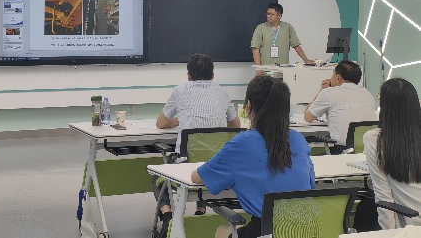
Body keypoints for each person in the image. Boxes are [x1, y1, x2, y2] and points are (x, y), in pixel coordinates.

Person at [191, 76, 315, 238]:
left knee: (222, 231)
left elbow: (197, 178)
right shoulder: (299, 139)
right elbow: (311, 184)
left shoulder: (241, 143)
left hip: (266, 231)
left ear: (248, 106)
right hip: (306, 230)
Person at [154, 53, 240, 238]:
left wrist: (179, 119)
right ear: (213, 75)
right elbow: (236, 125)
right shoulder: (222, 92)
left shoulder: (179, 91)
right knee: (205, 158)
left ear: (188, 75)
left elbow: (161, 123)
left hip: (186, 165)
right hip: (217, 165)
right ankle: (201, 209)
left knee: (158, 176)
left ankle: (168, 216)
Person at [363, 78, 421, 229]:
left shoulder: (375, 139)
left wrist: (388, 234)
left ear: (385, 106)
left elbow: (383, 195)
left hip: (412, 228)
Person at [304, 60, 377, 154]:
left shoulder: (328, 93)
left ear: (338, 78)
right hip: (367, 151)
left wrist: (322, 90)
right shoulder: (367, 94)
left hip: (342, 151)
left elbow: (307, 117)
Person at [250, 3, 313, 68]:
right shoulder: (260, 28)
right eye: (267, 14)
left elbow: (296, 46)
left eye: (271, 14)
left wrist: (306, 60)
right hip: (265, 70)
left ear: (279, 15)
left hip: (283, 70)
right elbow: (255, 48)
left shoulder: (287, 27)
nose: (268, 16)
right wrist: (259, 68)